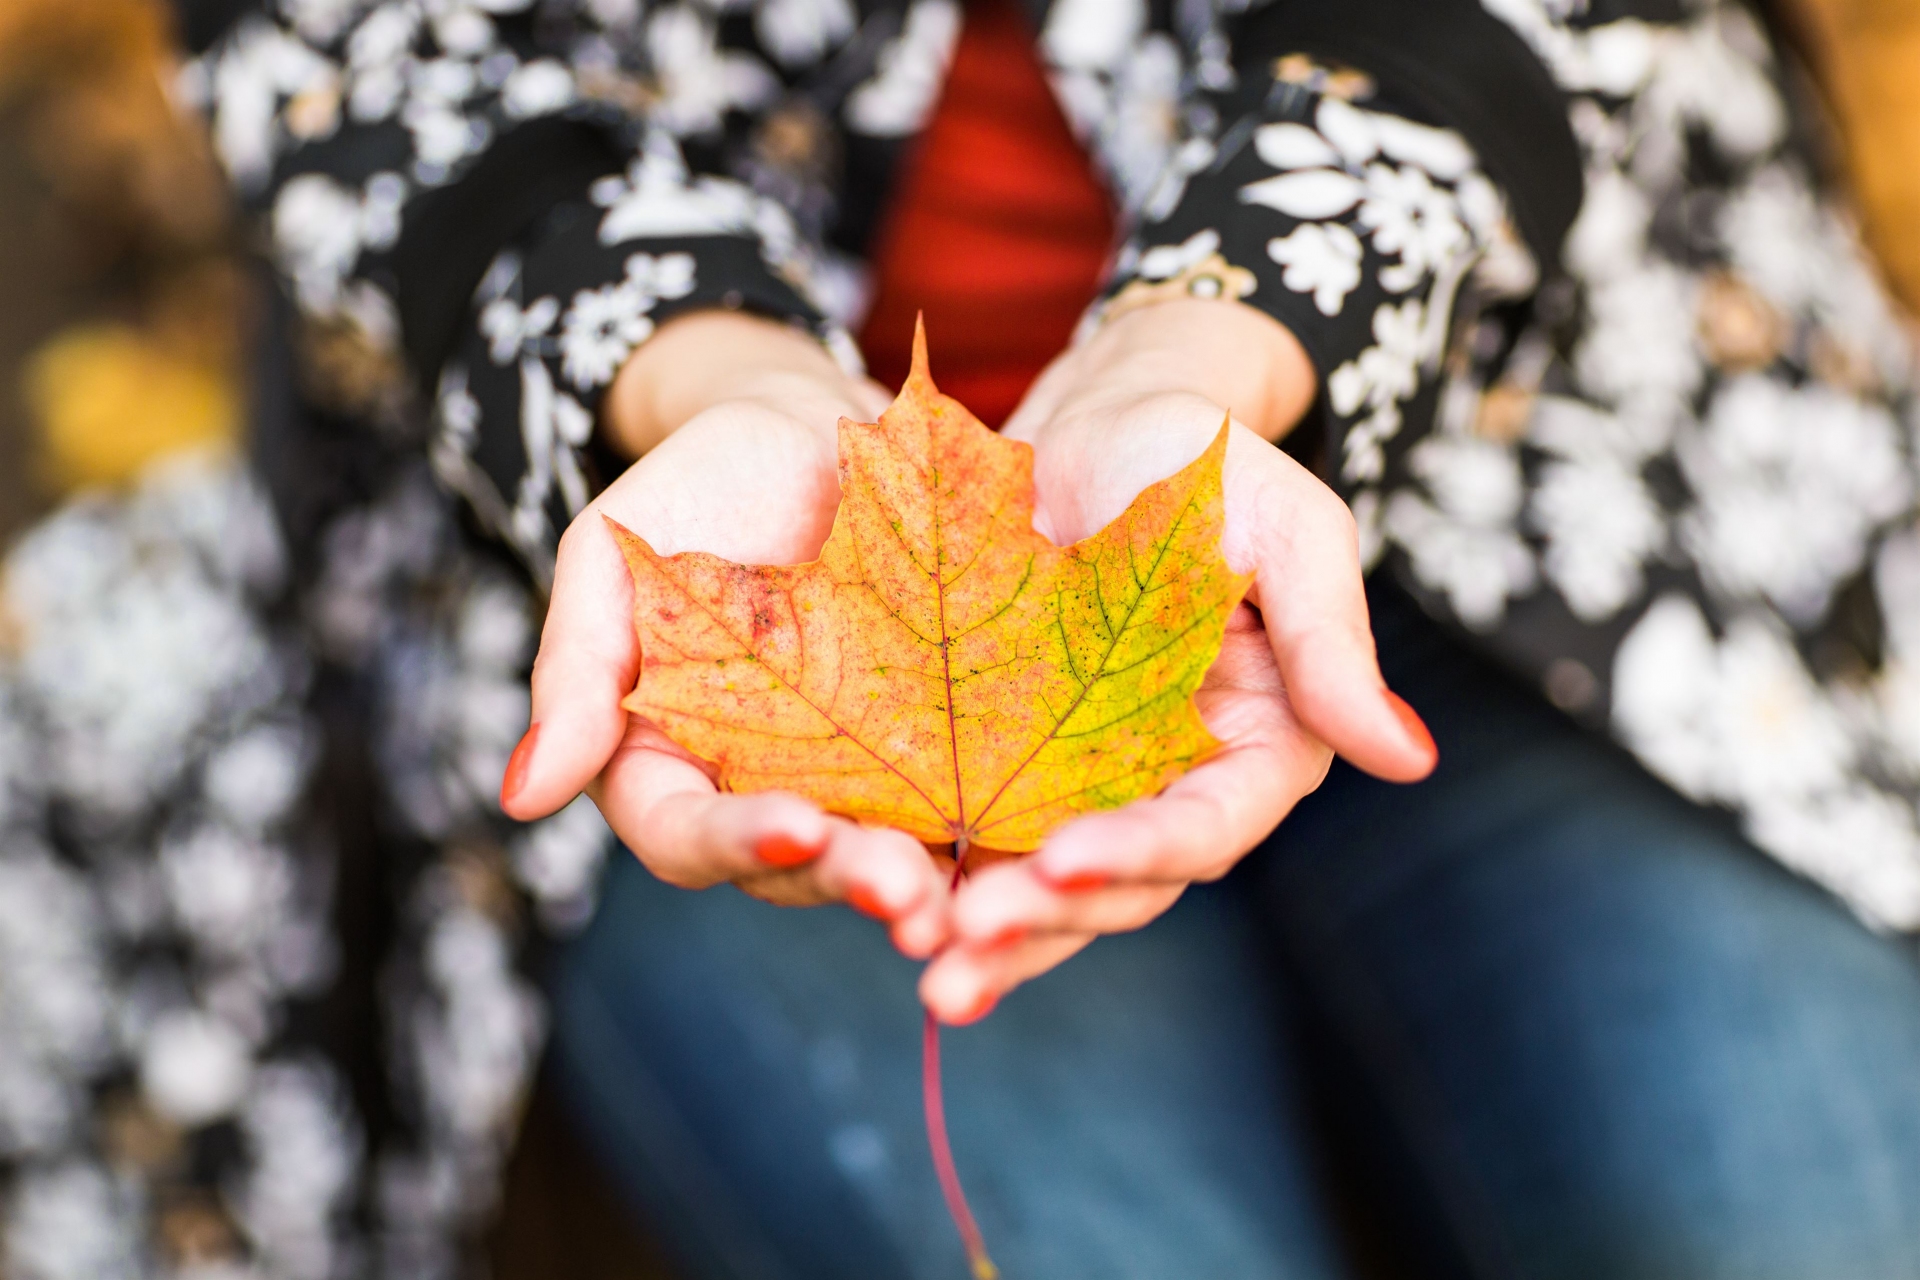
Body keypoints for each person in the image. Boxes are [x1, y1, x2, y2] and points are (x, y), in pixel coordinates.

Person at [188, 0, 1920, 1274]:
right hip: (645, 499)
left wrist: (1224, 334)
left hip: (1549, 483)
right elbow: (342, 51)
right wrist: (692, 373)